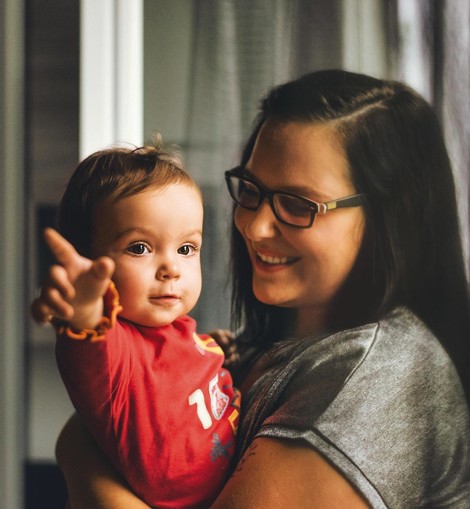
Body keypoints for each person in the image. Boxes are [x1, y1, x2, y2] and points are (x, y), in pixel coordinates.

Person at [33, 70, 470, 508]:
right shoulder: (272, 342)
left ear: (388, 218)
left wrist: (79, 455)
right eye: (252, 190)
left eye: (298, 205)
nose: (255, 227)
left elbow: (87, 434)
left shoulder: (379, 375)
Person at [31, 142, 240, 508]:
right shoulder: (115, 350)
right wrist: (84, 308)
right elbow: (89, 339)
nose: (171, 268)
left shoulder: (180, 330)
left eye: (187, 248)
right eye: (140, 248)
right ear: (88, 261)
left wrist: (214, 348)